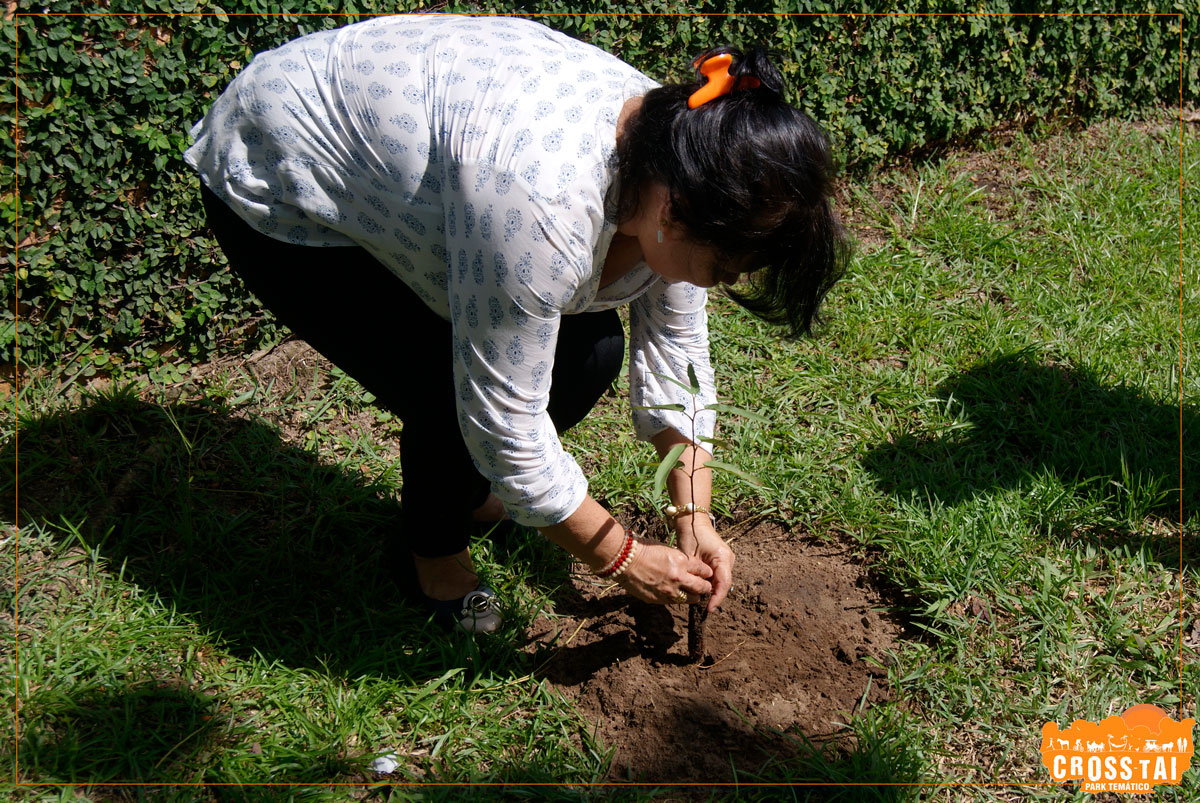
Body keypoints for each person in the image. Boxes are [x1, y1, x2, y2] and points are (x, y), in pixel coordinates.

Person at [184, 14, 848, 633]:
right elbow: (505, 425)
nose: (717, 284)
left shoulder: (691, 152)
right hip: (285, 167)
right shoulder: (540, 201)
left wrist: (693, 515)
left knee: (588, 353)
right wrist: (622, 557)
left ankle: (466, 493)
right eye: (724, 269)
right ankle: (433, 552)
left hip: (448, 168)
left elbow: (677, 356)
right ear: (672, 215)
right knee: (445, 385)